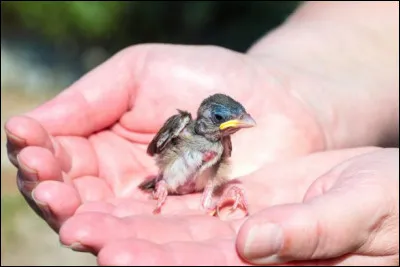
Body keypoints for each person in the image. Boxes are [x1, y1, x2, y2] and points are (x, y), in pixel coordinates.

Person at [5, 1, 398, 265]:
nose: (235, 126)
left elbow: (218, 166)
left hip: (200, 185)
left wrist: (226, 191)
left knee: (220, 183)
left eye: (237, 119)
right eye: (227, 119)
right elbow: (156, 151)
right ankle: (164, 190)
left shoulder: (222, 143)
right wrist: (161, 183)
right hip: (171, 180)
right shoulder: (184, 126)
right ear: (207, 118)